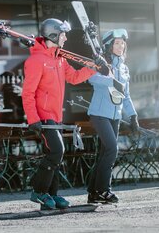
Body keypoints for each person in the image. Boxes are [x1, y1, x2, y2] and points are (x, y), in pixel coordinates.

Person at [22, 17, 109, 210]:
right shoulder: (36, 61)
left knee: (56, 155)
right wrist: (33, 118)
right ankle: (38, 190)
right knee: (57, 151)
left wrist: (93, 68)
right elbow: (27, 93)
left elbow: (75, 77)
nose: (66, 38)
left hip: (57, 117)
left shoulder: (59, 59)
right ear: (53, 35)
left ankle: (51, 195)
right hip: (43, 117)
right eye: (63, 34)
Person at [86, 28, 138, 204]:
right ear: (109, 46)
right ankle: (104, 190)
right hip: (99, 113)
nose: (121, 45)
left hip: (115, 114)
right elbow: (92, 79)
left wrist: (133, 116)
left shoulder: (124, 68)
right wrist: (111, 81)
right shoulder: (101, 63)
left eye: (123, 42)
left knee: (104, 153)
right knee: (112, 149)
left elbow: (126, 95)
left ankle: (93, 192)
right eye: (117, 42)